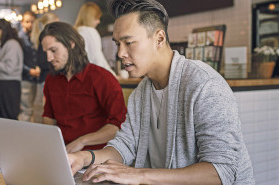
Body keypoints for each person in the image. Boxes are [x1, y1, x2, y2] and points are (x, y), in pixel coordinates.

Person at [68, 0, 255, 185]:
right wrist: (83, 158)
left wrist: (139, 175)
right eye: (118, 44)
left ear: (159, 39)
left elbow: (222, 171)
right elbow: (124, 146)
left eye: (129, 42)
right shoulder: (141, 93)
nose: (120, 53)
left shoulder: (204, 84)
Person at [39, 22, 127, 153]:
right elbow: (49, 117)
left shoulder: (102, 78)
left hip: (95, 157)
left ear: (71, 44)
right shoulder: (51, 80)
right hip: (62, 153)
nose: (49, 58)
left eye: (53, 50)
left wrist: (82, 141)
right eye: (46, 52)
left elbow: (118, 126)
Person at [18, 12, 60, 122]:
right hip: (37, 77)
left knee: (41, 109)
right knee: (38, 110)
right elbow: (41, 60)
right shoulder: (43, 39)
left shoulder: (41, 37)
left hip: (41, 77)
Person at [74, 2, 116, 76]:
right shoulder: (90, 31)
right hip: (91, 76)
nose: (98, 22)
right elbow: (97, 59)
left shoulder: (75, 32)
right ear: (90, 17)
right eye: (97, 18)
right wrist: (112, 75)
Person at [17, 11, 40, 122]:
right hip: (25, 78)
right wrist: (29, 71)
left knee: (36, 109)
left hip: (37, 78)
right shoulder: (19, 38)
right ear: (22, 23)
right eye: (27, 22)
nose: (30, 24)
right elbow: (17, 60)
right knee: (26, 109)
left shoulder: (37, 37)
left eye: (32, 22)